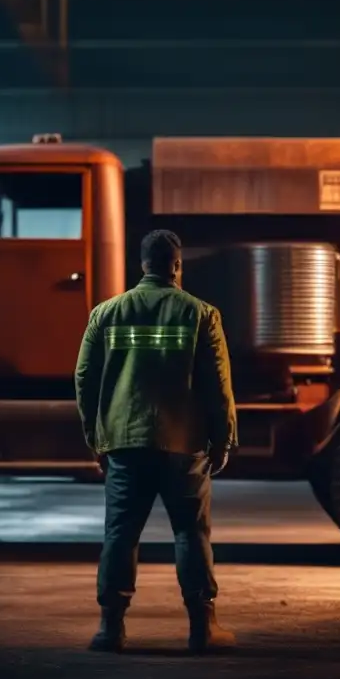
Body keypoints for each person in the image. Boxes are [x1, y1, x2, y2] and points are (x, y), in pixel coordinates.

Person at [74, 228, 238, 654]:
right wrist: (222, 440)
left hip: (125, 444)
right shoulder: (201, 315)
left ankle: (110, 629)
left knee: (121, 534)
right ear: (177, 266)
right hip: (184, 445)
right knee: (190, 533)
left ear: (142, 265)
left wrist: (97, 438)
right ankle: (203, 628)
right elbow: (217, 385)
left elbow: (85, 380)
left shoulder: (106, 314)